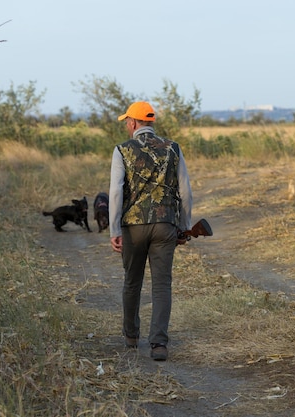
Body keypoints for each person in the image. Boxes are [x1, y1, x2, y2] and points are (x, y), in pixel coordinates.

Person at [109, 101, 193, 361]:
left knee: (132, 282)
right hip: (165, 225)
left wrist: (114, 229)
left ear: (133, 123)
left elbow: (115, 191)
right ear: (151, 123)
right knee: (161, 285)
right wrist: (185, 226)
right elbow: (186, 191)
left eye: (127, 121)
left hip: (133, 227)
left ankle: (131, 336)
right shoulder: (173, 148)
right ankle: (158, 344)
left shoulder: (122, 150)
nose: (126, 125)